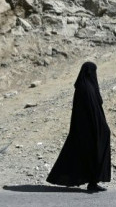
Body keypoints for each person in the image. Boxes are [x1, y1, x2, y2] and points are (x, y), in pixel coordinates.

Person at [47, 61, 111, 192]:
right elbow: (88, 111)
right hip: (87, 130)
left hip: (91, 129)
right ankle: (92, 182)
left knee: (93, 154)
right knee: (91, 154)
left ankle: (93, 182)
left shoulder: (88, 86)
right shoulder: (85, 88)